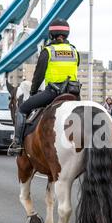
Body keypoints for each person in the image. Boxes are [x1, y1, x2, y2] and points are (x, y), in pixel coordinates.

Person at [8, 18, 80, 156]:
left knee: (22, 109)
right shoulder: (74, 51)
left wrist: (34, 91)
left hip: (53, 93)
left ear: (51, 34)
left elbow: (38, 76)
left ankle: (17, 143)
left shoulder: (48, 51)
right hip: (74, 94)